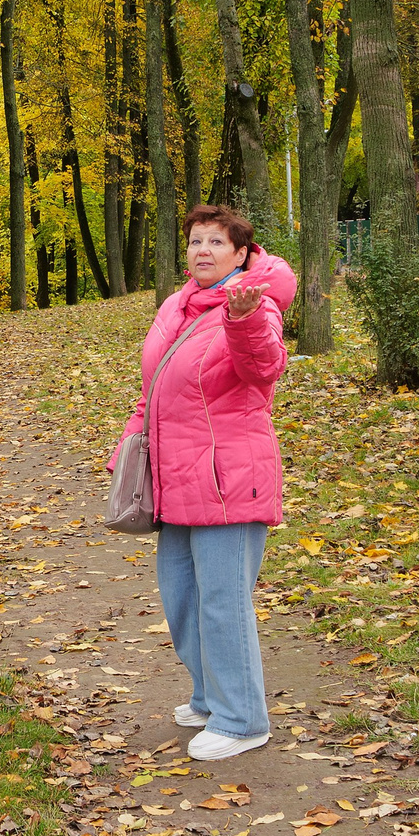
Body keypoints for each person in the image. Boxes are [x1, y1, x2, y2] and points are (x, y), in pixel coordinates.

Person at [112, 205, 298, 760]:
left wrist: (241, 321)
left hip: (227, 479)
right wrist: (130, 445)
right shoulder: (177, 305)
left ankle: (242, 719)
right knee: (183, 599)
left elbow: (264, 369)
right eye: (196, 241)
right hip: (173, 479)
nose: (203, 251)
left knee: (223, 602)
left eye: (217, 242)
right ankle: (211, 696)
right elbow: (154, 388)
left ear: (242, 254)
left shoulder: (253, 305)